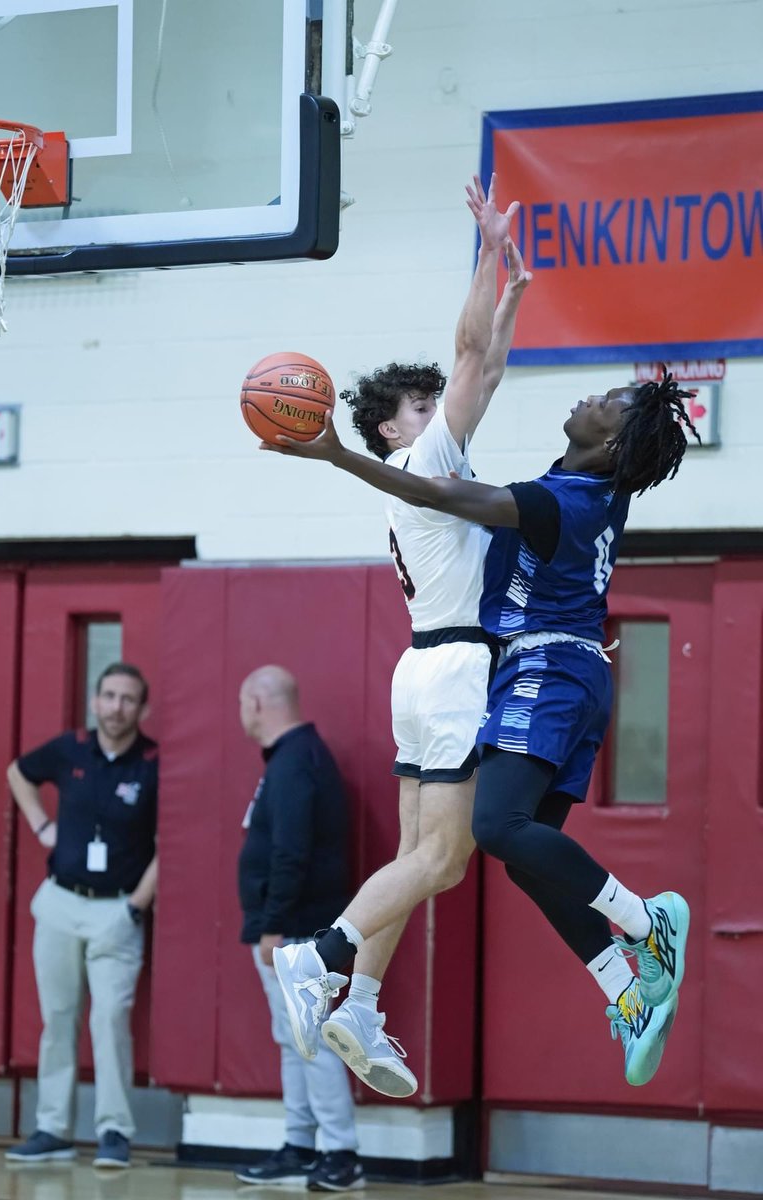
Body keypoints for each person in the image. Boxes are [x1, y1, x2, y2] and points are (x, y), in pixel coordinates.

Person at [266, 368, 697, 1090]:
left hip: (546, 670)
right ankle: (626, 990)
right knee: (530, 857)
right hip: (567, 672)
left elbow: (440, 491)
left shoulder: (557, 501)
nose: (588, 398)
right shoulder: (590, 490)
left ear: (613, 440)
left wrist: (338, 455)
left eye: (607, 404)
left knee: (494, 829)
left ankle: (646, 920)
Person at [262, 174, 530, 1099]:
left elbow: (482, 367)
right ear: (391, 428)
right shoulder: (423, 459)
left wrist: (510, 302)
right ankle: (321, 955)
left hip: (421, 670)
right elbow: (470, 360)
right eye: (420, 405)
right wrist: (491, 255)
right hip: (453, 667)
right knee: (445, 860)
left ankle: (360, 1004)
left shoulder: (416, 484)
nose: (440, 409)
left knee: (420, 859)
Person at [5, 663, 158, 1169]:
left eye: (128, 699)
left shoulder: (154, 763)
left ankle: (114, 1130)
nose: (117, 707)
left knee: (110, 1019)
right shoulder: (68, 748)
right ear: (94, 702)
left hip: (117, 912)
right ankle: (52, 1127)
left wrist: (137, 903)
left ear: (142, 708)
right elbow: (17, 773)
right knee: (57, 1019)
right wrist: (42, 825)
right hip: (59, 903)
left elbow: (170, 842)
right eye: (109, 696)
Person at [235, 665, 364, 1193]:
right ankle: (300, 1143)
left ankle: (341, 1154)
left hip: (295, 930)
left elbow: (292, 852)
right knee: (296, 1042)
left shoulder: (294, 763)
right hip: (292, 927)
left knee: (312, 1040)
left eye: (243, 703)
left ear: (257, 702)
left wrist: (275, 925)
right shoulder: (295, 758)